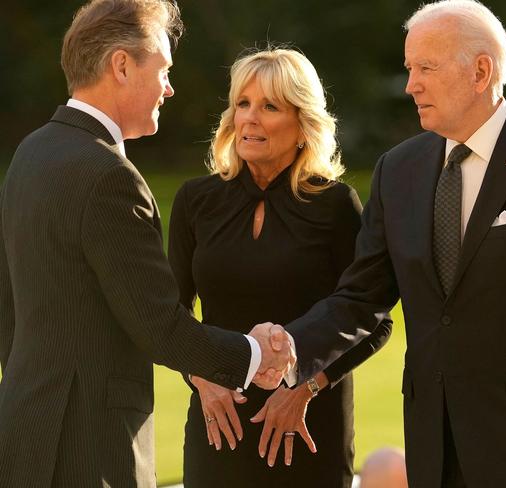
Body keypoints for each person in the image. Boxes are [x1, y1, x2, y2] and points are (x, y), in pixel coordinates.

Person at [284, 1, 506, 487]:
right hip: (433, 452)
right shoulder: (397, 170)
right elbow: (362, 299)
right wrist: (285, 344)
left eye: (426, 67)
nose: (411, 85)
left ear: (481, 71)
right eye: (409, 69)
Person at [0, 1, 293, 486]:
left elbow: (9, 306)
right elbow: (157, 326)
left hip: (23, 435)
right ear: (121, 65)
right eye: (164, 69)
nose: (169, 88)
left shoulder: (30, 154)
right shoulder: (109, 175)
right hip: (90, 448)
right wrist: (255, 355)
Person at [168, 47, 392, 488]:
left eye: (269, 106)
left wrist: (303, 389)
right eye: (242, 104)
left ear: (303, 125)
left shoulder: (334, 206)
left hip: (304, 426)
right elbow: (169, 315)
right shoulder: (196, 201)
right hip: (219, 423)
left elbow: (374, 321)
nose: (249, 118)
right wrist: (201, 380)